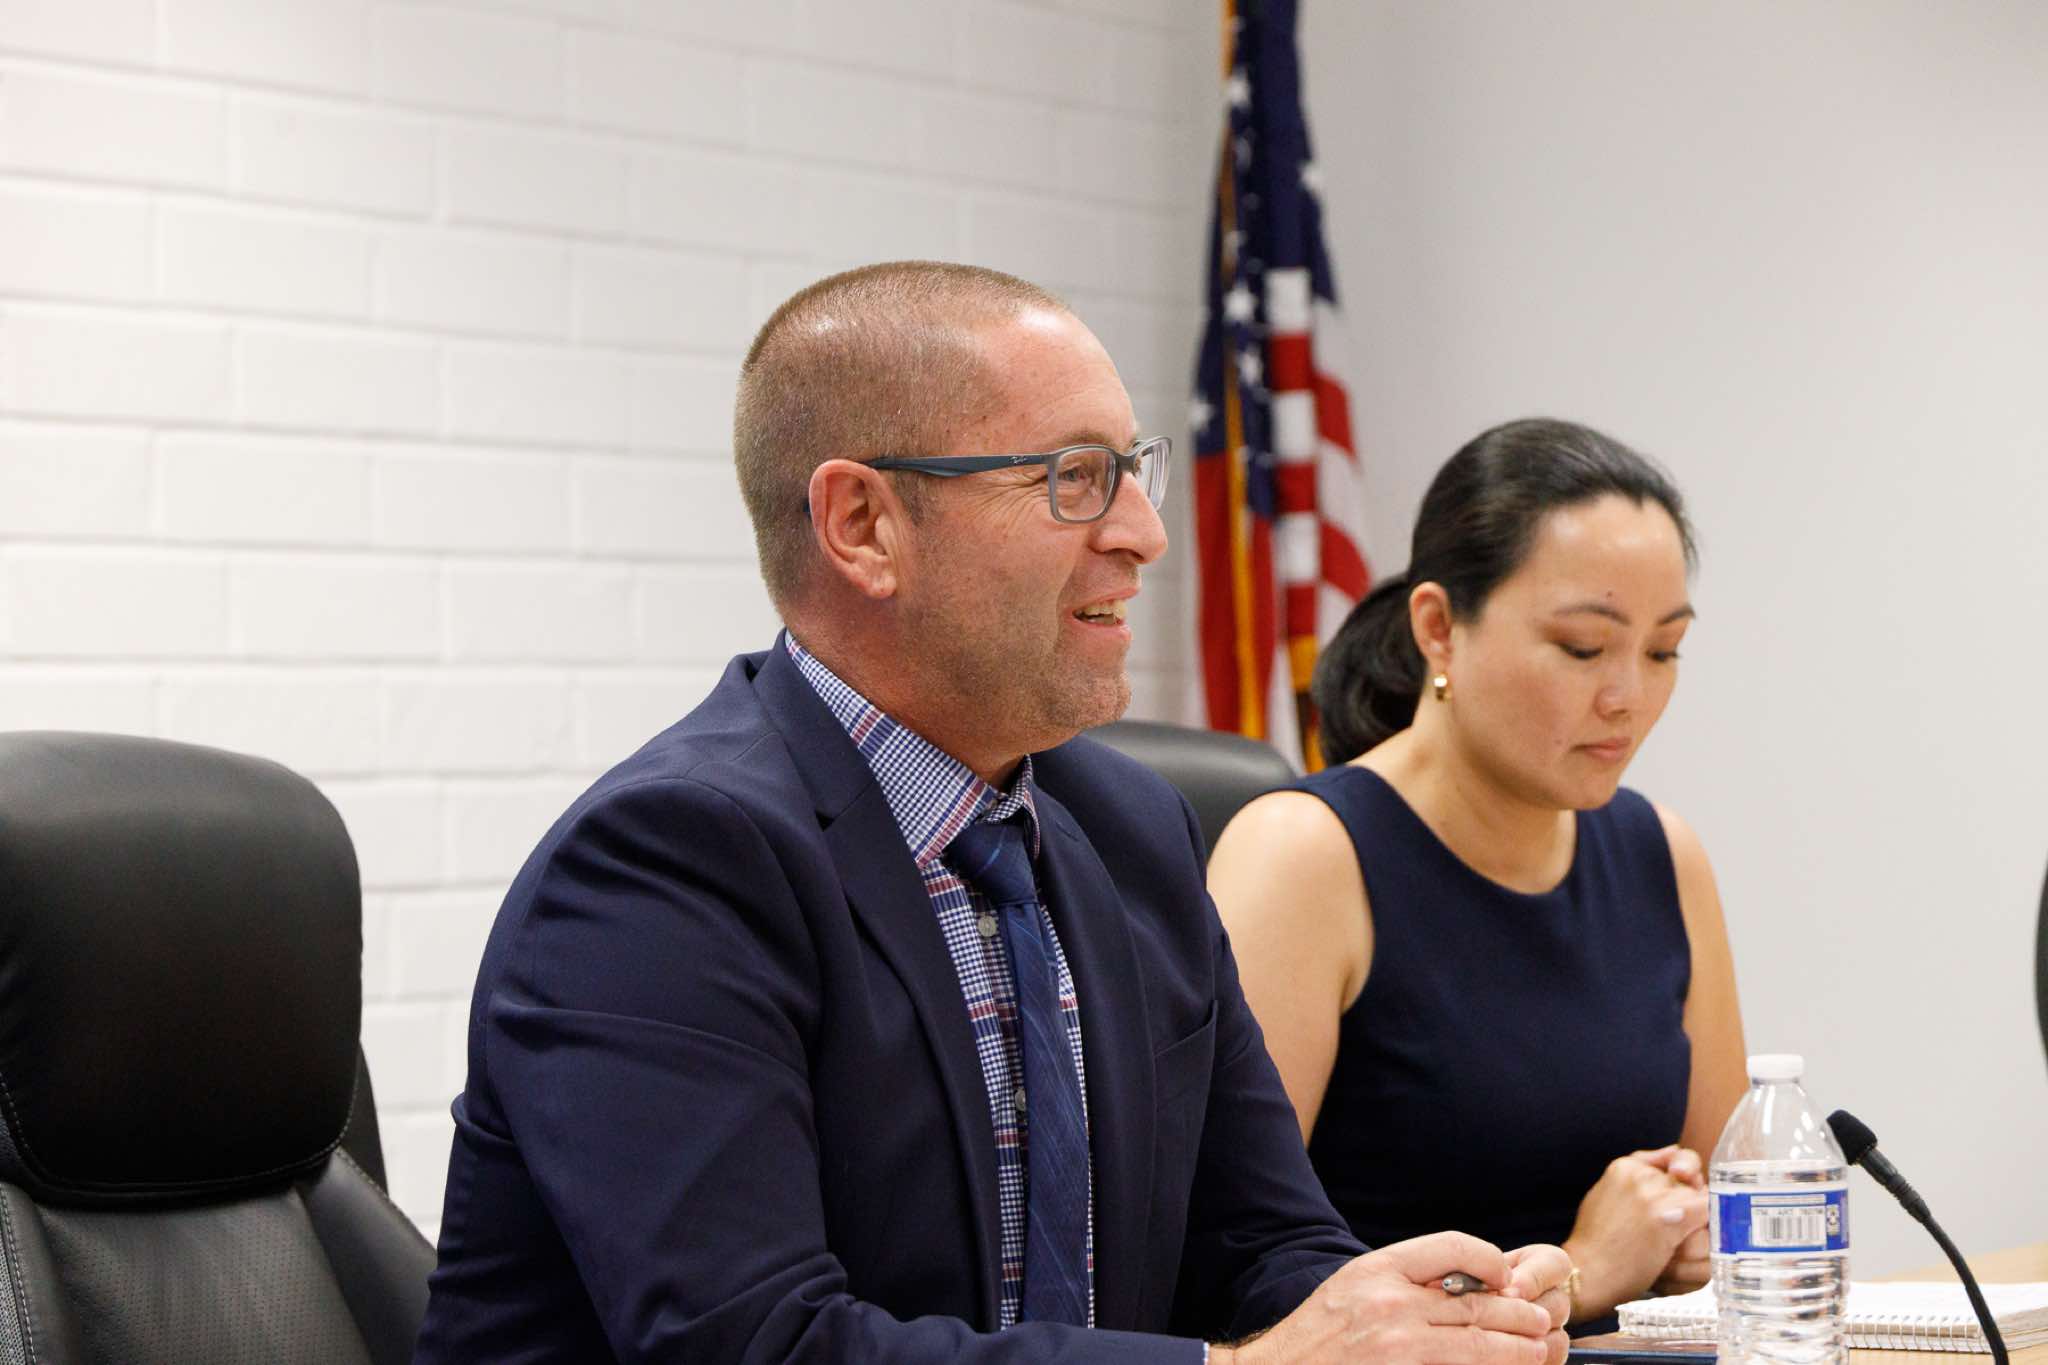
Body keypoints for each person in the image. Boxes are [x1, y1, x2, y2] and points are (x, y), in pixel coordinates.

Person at [413, 264, 1574, 1363]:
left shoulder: (1133, 828)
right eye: (1073, 477)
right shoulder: (668, 864)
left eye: (1133, 470)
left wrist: (1429, 1319)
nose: (1143, 532)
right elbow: (760, 1345)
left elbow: (1259, 1245)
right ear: (862, 526)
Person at [1208, 418, 1748, 1331]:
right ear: (1438, 629)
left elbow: (1735, 1203)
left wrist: (1696, 1237)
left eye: (1662, 651)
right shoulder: (1303, 854)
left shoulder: (1663, 852)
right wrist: (1580, 1271)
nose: (1627, 695)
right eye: (1584, 647)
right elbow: (1228, 1267)